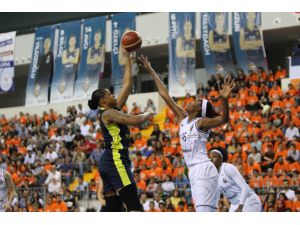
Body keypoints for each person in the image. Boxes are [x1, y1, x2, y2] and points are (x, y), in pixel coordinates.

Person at [139, 55, 236, 212]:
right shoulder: (183, 118)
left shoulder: (201, 123)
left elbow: (224, 119)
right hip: (194, 170)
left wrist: (224, 100)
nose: (190, 101)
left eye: (195, 102)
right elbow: (165, 95)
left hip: (203, 169)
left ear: (198, 110)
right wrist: (150, 69)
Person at [88, 48, 154, 212]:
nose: (114, 95)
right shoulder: (109, 113)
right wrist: (149, 113)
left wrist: (129, 59)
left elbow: (127, 84)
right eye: (110, 94)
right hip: (115, 160)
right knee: (135, 208)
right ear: (103, 101)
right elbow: (136, 120)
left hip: (109, 161)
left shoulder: (112, 109)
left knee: (114, 208)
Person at [176, 20, 196, 86]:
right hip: (182, 65)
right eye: (186, 26)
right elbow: (178, 54)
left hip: (190, 65)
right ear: (184, 27)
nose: (187, 27)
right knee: (182, 85)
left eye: (189, 26)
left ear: (191, 27)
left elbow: (193, 54)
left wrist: (183, 52)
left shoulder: (193, 39)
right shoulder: (180, 39)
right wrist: (190, 52)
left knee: (190, 84)